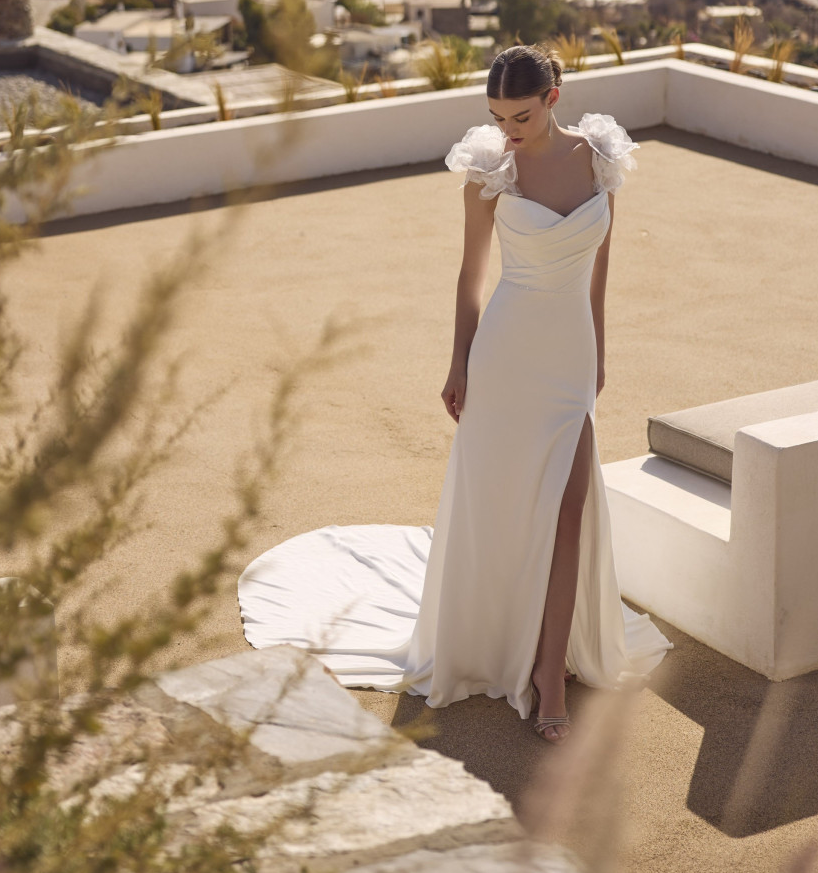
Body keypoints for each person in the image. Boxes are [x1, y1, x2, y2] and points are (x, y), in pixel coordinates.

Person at [238, 44, 671, 743]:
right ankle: (505, 644)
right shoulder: (489, 171)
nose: (508, 129)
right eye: (497, 116)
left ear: (553, 98)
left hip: (567, 357)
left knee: (570, 511)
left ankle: (549, 671)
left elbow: (601, 266)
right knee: (505, 508)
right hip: (504, 356)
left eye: (521, 115)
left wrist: (599, 349)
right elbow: (471, 278)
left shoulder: (601, 157)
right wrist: (458, 365)